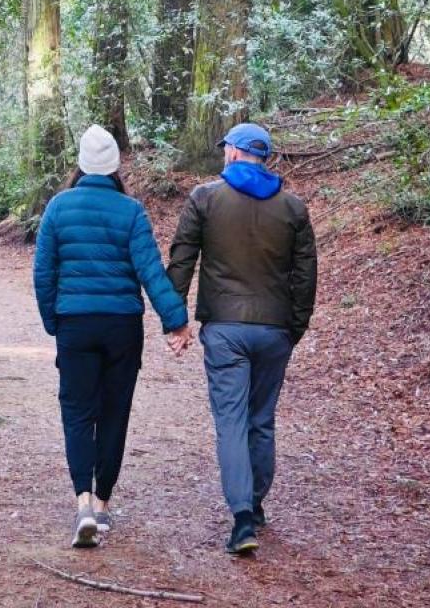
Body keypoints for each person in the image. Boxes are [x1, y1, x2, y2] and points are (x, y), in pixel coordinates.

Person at [34, 124, 194, 548]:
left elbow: (43, 274)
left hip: (76, 326)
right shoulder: (131, 211)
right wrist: (175, 320)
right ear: (115, 167)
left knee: (77, 413)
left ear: (81, 164)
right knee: (114, 414)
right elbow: (151, 272)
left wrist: (55, 322)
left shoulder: (58, 208)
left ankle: (82, 502)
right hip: (122, 327)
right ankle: (103, 508)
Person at [168, 122, 317, 556]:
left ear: (233, 153)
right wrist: (295, 327)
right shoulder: (292, 208)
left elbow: (182, 261)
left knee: (231, 421)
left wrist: (175, 321)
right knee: (261, 419)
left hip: (226, 331)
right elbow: (306, 276)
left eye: (225, 149)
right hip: (274, 330)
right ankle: (254, 503)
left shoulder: (205, 199)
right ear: (263, 156)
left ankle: (242, 520)